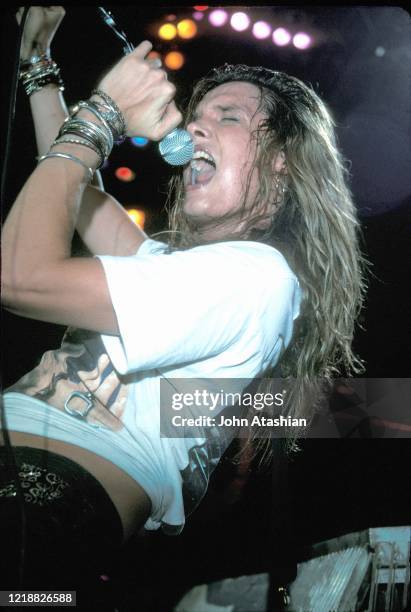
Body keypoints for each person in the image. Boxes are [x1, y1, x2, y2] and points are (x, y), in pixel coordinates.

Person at [1, 6, 367, 596]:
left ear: (282, 162)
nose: (195, 128)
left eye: (227, 117)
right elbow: (82, 199)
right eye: (194, 116)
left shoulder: (257, 277)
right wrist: (39, 69)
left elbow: (20, 275)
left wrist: (102, 116)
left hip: (45, 502)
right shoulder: (179, 273)